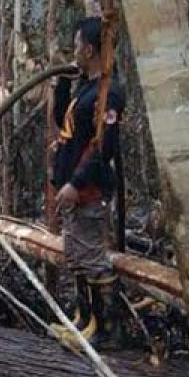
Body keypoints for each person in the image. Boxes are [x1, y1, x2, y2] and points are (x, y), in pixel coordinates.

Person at [51, 17, 126, 347]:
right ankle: (85, 319)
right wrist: (63, 86)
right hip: (72, 188)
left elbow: (102, 146)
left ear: (91, 49)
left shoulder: (109, 93)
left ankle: (106, 328)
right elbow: (64, 125)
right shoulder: (84, 86)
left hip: (89, 190)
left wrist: (76, 184)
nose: (74, 51)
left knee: (93, 258)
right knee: (77, 256)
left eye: (77, 45)